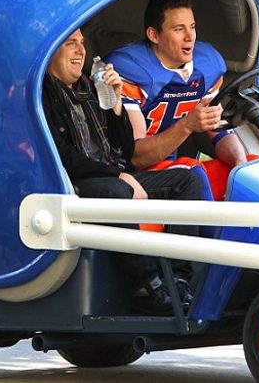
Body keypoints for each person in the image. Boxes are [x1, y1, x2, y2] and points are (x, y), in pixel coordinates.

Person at [42, 28, 201, 315]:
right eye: (70, 44)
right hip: (71, 183)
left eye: (82, 44)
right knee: (118, 191)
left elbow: (125, 150)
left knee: (186, 179)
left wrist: (115, 104)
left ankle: (179, 281)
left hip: (111, 174)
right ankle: (146, 288)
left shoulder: (89, 87)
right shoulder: (42, 92)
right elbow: (64, 157)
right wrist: (117, 175)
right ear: (51, 51)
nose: (80, 51)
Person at [105, 0, 249, 200]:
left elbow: (216, 129)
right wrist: (188, 125)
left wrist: (239, 162)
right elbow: (137, 157)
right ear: (154, 35)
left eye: (192, 27)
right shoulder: (131, 69)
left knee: (249, 168)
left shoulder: (207, 64)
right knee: (192, 173)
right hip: (133, 174)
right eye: (178, 29)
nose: (190, 36)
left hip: (170, 164)